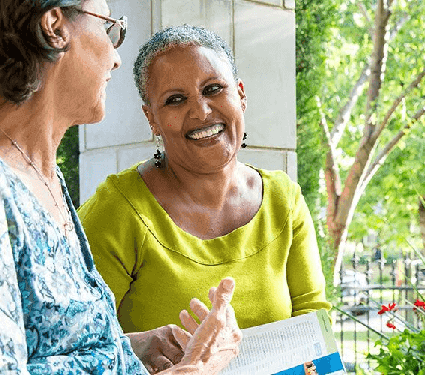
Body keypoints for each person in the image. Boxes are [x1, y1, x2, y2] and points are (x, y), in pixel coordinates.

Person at [0, 0, 241, 373]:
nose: (115, 58)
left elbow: (36, 347)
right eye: (108, 27)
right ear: (55, 27)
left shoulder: (38, 172)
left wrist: (128, 350)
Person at [78, 25, 331, 334]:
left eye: (213, 89)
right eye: (175, 99)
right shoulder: (117, 210)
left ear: (240, 94)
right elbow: (78, 346)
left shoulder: (283, 200)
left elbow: (314, 325)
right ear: (152, 119)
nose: (200, 111)